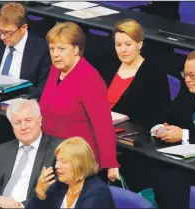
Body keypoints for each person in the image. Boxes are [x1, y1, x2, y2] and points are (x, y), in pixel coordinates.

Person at [39, 22, 120, 181]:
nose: (55, 54)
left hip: (78, 161)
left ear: (76, 49)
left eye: (61, 49)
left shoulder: (90, 79)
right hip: (51, 154)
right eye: (52, 48)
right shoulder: (56, 69)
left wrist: (110, 163)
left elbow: (102, 124)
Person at [0, 99, 62, 208]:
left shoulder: (58, 149)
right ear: (12, 126)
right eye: (17, 122)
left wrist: (20, 206)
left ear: (40, 120)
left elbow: (57, 194)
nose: (24, 127)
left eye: (28, 120)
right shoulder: (2, 150)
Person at [0, 2, 51, 98]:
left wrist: (16, 92)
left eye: (8, 33)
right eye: (0, 31)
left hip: (22, 102)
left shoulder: (41, 49)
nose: (2, 37)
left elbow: (42, 89)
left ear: (23, 28)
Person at [105, 19, 171, 128]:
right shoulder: (109, 65)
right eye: (118, 45)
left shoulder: (155, 73)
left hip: (130, 132)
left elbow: (161, 113)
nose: (123, 50)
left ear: (139, 44)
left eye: (128, 44)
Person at [27, 137, 116, 209]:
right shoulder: (60, 184)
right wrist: (40, 193)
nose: (57, 166)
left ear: (80, 164)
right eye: (57, 161)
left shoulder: (97, 193)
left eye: (63, 162)